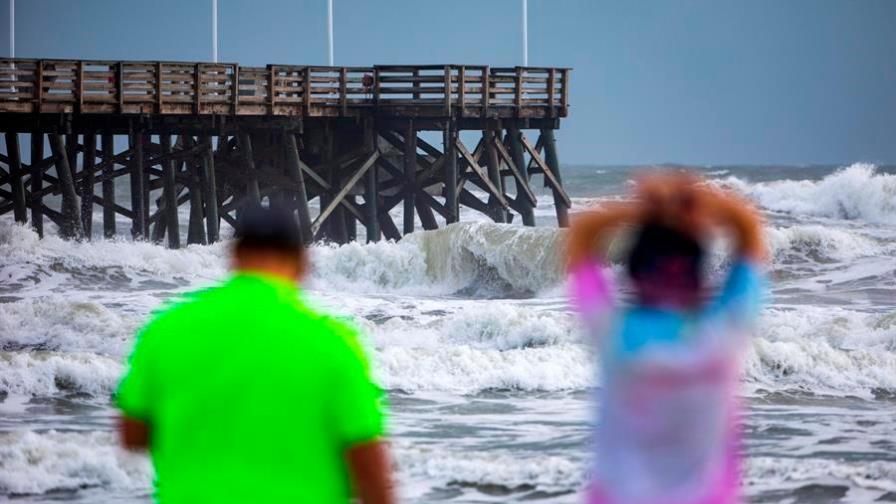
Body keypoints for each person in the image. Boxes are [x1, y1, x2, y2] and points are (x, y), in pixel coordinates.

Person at [116, 206, 395, 504]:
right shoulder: (334, 342)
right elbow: (368, 464)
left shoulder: (167, 329)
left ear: (234, 255)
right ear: (302, 261)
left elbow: (133, 435)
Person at [567, 172, 766, 504]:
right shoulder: (721, 334)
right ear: (700, 279)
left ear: (632, 277)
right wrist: (695, 204)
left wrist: (643, 210)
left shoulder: (615, 333)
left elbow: (582, 235)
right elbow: (749, 233)